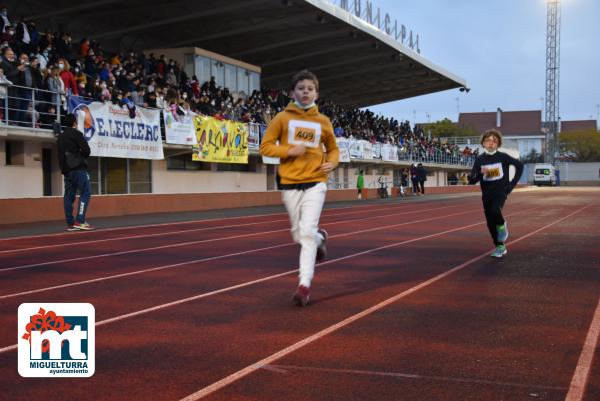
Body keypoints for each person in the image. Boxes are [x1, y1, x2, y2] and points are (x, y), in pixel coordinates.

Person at [259, 70, 339, 306]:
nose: (305, 92)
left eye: (310, 89)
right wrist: (288, 151)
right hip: (289, 183)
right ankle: (320, 239)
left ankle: (304, 285)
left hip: (316, 183)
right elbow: (265, 147)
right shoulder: (282, 119)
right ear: (292, 92)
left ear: (316, 93)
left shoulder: (323, 122)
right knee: (298, 234)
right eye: (301, 88)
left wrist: (332, 163)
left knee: (306, 233)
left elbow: (333, 148)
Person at [468, 129, 523, 258]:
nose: (491, 143)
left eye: (494, 141)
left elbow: (519, 166)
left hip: (501, 192)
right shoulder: (480, 160)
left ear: (498, 144)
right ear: (483, 143)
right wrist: (479, 173)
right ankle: (500, 246)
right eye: (488, 140)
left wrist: (511, 185)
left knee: (495, 211)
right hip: (487, 194)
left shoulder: (502, 157)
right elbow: (472, 180)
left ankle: (502, 225)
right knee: (489, 222)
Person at [57, 113, 94, 231]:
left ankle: (70, 223)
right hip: (78, 168)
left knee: (68, 196)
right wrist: (79, 156)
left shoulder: (60, 137)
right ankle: (80, 220)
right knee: (86, 192)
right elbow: (87, 151)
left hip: (66, 170)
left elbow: (60, 156)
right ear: (74, 123)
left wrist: (64, 170)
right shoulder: (77, 134)